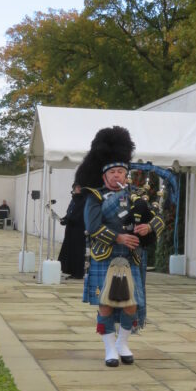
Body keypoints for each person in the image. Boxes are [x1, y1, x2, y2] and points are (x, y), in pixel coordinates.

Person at [78, 126, 164, 367]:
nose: (118, 176)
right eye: (113, 172)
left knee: (131, 304)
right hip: (105, 256)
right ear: (104, 175)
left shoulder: (137, 196)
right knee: (105, 303)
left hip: (130, 258)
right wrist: (118, 237)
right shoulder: (94, 196)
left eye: (121, 171)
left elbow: (157, 218)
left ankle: (122, 343)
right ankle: (109, 349)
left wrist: (149, 228)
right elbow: (92, 226)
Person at [57, 184, 86, 279]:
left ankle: (78, 273)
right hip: (70, 229)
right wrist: (64, 219)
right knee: (69, 251)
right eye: (76, 188)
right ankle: (70, 270)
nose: (77, 189)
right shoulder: (74, 199)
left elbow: (80, 215)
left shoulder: (84, 199)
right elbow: (69, 212)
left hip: (79, 229)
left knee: (78, 251)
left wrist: (69, 219)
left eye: (78, 187)